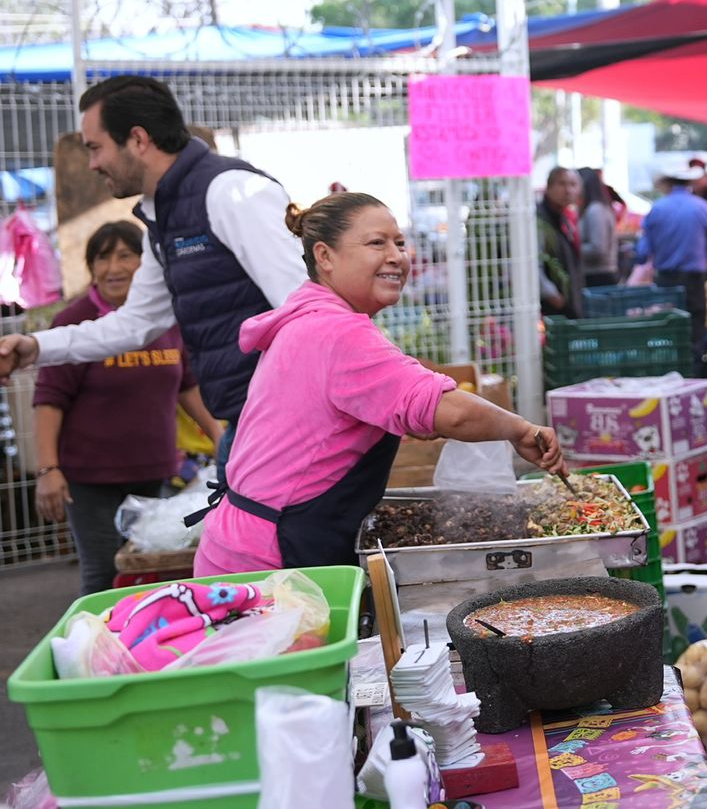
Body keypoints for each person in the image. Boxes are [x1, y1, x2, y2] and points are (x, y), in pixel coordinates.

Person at [193, 192, 567, 575]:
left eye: (400, 243)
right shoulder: (337, 332)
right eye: (376, 243)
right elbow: (449, 413)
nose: (396, 256)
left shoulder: (310, 317)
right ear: (325, 256)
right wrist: (521, 429)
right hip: (269, 559)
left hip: (244, 542)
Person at [0, 76, 304, 475]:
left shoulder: (230, 193)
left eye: (96, 148)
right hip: (248, 423)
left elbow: (307, 307)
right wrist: (36, 347)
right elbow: (136, 323)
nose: (91, 164)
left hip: (289, 427)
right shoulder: (164, 215)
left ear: (139, 140)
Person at [33, 221, 223, 595]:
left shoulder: (164, 319)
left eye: (125, 256)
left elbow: (187, 385)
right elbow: (49, 400)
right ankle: (95, 651)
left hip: (155, 473)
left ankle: (151, 647)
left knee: (157, 569)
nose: (113, 268)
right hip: (89, 482)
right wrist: (48, 469)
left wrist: (220, 435)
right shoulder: (74, 321)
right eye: (103, 258)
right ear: (91, 267)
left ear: (145, 264)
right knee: (105, 576)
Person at [639, 168, 707, 356]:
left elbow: (643, 252)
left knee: (668, 332)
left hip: (666, 281)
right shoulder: (703, 208)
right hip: (695, 281)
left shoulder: (657, 209)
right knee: (695, 332)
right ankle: (696, 372)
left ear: (668, 184)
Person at [537, 166, 585, 318]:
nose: (568, 190)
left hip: (567, 304)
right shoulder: (539, 220)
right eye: (562, 184)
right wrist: (554, 296)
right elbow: (533, 264)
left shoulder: (564, 218)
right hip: (551, 309)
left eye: (573, 184)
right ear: (549, 188)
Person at [578, 167, 619, 290]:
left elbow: (598, 249)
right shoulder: (595, 208)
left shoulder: (595, 210)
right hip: (597, 275)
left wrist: (571, 249)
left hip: (599, 277)